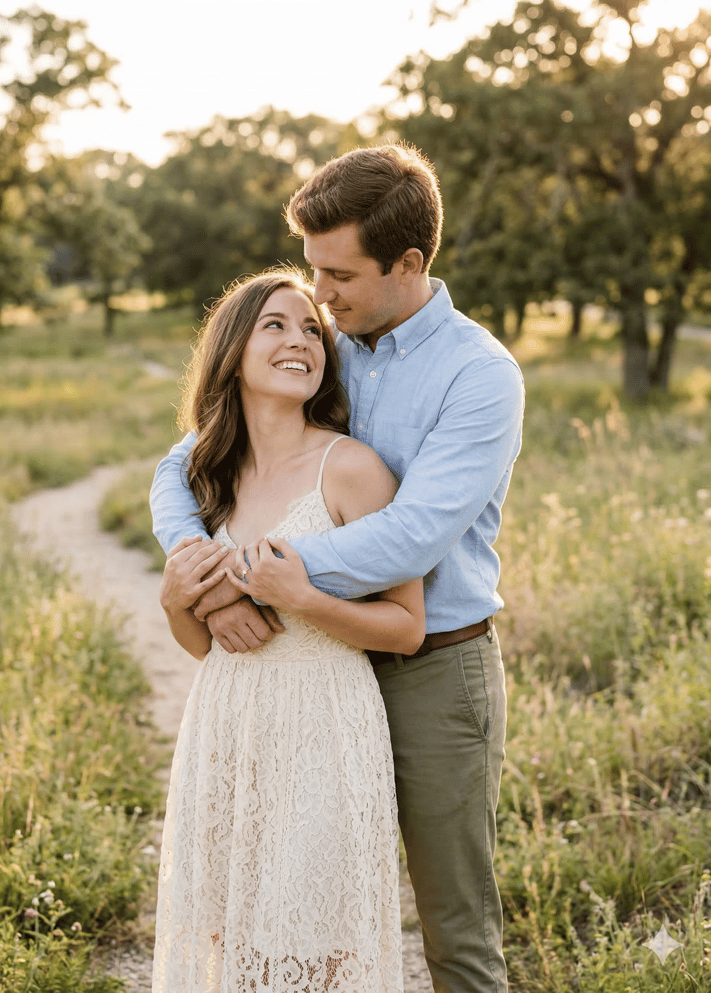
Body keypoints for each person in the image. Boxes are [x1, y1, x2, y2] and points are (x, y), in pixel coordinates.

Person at [151, 143, 525, 993]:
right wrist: (195, 568)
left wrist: (256, 575)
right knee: (283, 905)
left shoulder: (479, 375)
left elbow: (412, 538)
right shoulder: (329, 341)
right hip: (306, 676)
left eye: (339, 275)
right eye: (313, 274)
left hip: (433, 664)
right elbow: (186, 463)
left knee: (453, 927)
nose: (319, 297)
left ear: (408, 264)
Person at [151, 267, 426, 993]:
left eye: (312, 329)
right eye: (276, 324)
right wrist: (180, 601)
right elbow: (202, 647)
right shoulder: (205, 478)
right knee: (227, 940)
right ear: (233, 348)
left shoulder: (353, 469)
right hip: (226, 728)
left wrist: (301, 596)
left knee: (318, 948)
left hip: (325, 730)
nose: (301, 339)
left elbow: (405, 627)